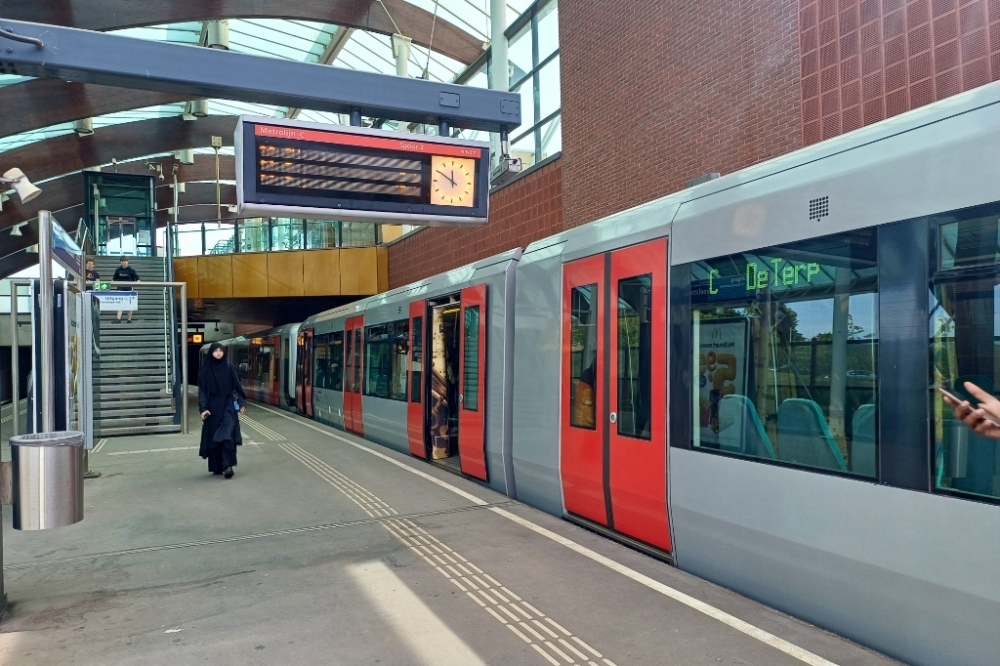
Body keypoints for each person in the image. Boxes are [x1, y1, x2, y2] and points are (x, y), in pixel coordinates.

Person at [199, 342, 247, 478]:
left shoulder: (229, 368)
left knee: (227, 436)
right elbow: (202, 391)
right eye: (216, 351)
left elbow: (237, 387)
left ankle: (228, 466)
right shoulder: (206, 371)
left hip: (227, 406)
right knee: (215, 438)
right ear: (211, 353)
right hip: (212, 408)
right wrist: (203, 409)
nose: (219, 353)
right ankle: (217, 466)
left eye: (221, 350)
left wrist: (242, 402)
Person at [112, 256, 139, 323]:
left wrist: (136, 284)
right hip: (120, 289)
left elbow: (138, 279)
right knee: (120, 304)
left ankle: (129, 319)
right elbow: (113, 279)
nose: (124, 262)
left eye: (125, 261)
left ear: (127, 262)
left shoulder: (131, 270)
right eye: (122, 261)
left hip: (129, 289)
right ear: (120, 262)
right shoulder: (118, 270)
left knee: (130, 305)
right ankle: (118, 319)